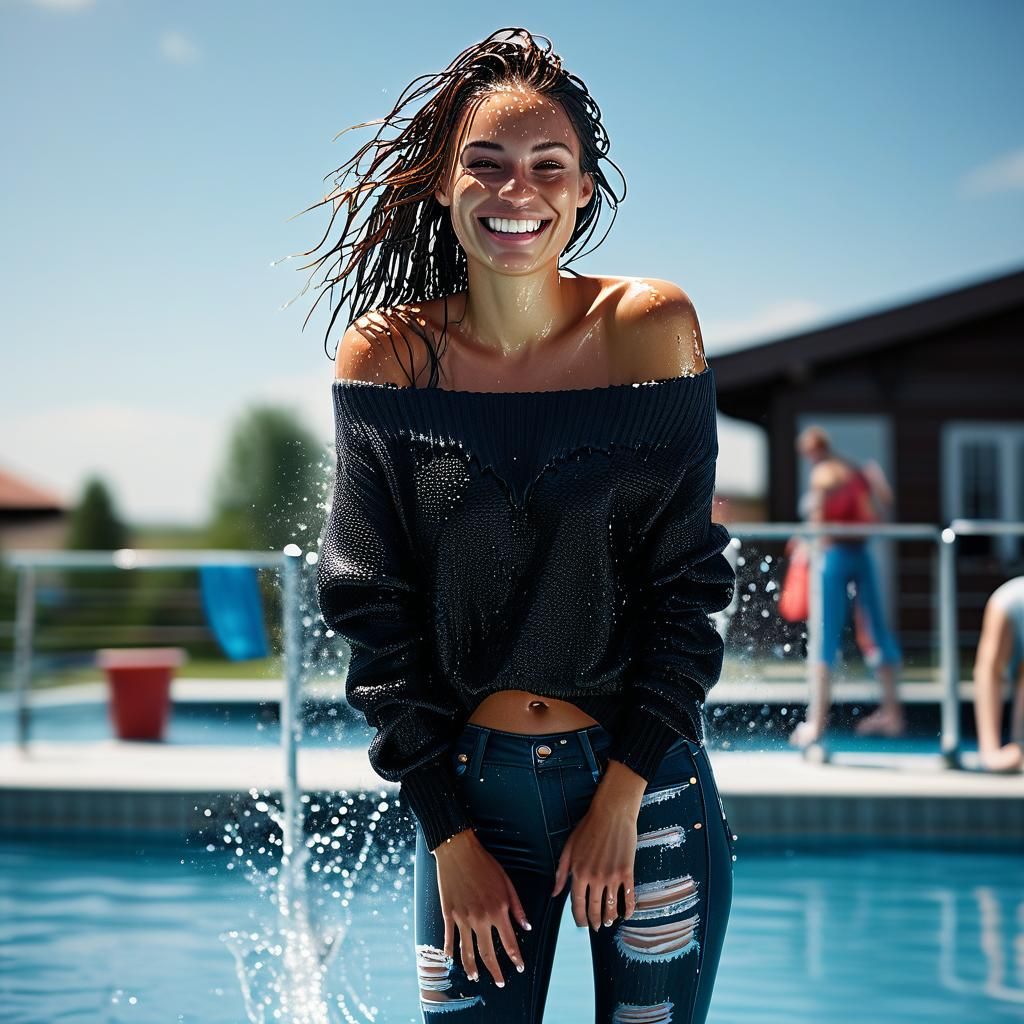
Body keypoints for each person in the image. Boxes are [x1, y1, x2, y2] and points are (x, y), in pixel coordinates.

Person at [310, 28, 737, 1023]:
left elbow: (688, 586)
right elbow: (371, 612)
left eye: (549, 166)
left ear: (583, 189)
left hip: (645, 786)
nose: (518, 192)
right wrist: (448, 836)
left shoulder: (649, 328)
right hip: (471, 803)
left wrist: (622, 793)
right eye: (486, 162)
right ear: (442, 181)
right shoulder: (387, 358)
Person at [789, 426, 905, 750]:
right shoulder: (855, 470)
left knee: (825, 634)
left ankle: (816, 723)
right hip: (862, 555)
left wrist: (804, 544)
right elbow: (882, 507)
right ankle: (893, 715)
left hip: (835, 557)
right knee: (876, 632)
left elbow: (819, 521)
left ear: (812, 451)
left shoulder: (824, 475)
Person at [972, 576, 1024, 773]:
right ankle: (992, 749)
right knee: (991, 665)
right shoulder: (1008, 601)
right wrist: (990, 752)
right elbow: (987, 672)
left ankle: (1019, 743)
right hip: (1011, 605)